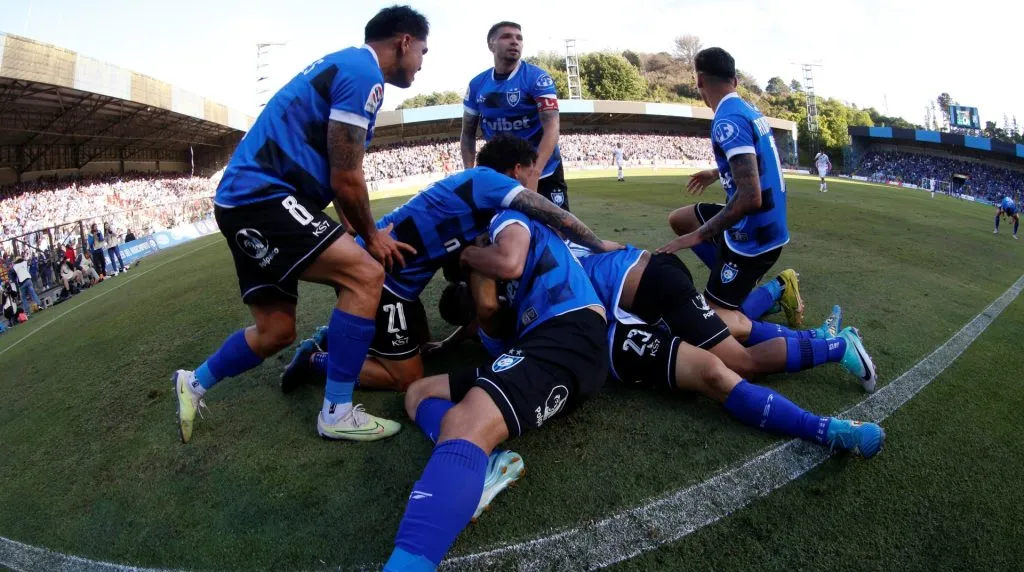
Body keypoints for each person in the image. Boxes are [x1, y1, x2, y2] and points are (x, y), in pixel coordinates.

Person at [172, 6, 431, 444]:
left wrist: (354, 231)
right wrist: (372, 237)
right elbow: (346, 176)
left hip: (244, 201)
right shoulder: (364, 75)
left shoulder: (345, 65)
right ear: (404, 42)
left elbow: (336, 172)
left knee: (276, 332)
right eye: (423, 51)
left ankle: (192, 383)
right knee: (367, 275)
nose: (422, 63)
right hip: (262, 197)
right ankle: (337, 412)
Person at [281, 135, 621, 392]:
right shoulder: (491, 183)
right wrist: (596, 244)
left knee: (422, 347)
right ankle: (317, 361)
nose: (532, 183)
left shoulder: (475, 191)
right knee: (407, 378)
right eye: (531, 174)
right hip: (383, 280)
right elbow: (555, 214)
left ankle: (333, 334)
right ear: (516, 170)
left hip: (400, 284)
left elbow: (451, 268)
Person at [383, 208, 608, 571]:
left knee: (464, 423)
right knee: (418, 392)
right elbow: (486, 316)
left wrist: (470, 256)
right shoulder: (514, 264)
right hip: (538, 347)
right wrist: (456, 338)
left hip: (566, 337)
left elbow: (493, 296)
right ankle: (485, 462)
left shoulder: (503, 218)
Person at [576, 246, 877, 392]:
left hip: (653, 287)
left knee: (742, 362)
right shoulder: (559, 242)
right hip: (651, 274)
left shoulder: (552, 262)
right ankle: (804, 318)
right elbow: (603, 244)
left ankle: (839, 346)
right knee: (728, 325)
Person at [659, 47, 800, 329]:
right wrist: (717, 172)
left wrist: (698, 236)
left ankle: (781, 294)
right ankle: (734, 286)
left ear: (700, 80)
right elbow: (758, 163)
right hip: (762, 221)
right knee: (680, 220)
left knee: (712, 325)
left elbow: (750, 197)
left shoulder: (728, 120)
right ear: (734, 81)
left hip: (754, 236)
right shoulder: (747, 109)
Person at [461, 21, 568, 210]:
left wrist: (534, 174)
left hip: (543, 172)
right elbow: (467, 134)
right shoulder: (477, 84)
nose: (514, 41)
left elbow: (552, 128)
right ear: (491, 45)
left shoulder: (538, 78)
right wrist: (470, 174)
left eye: (519, 38)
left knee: (556, 226)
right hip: (501, 175)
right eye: (506, 37)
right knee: (505, 226)